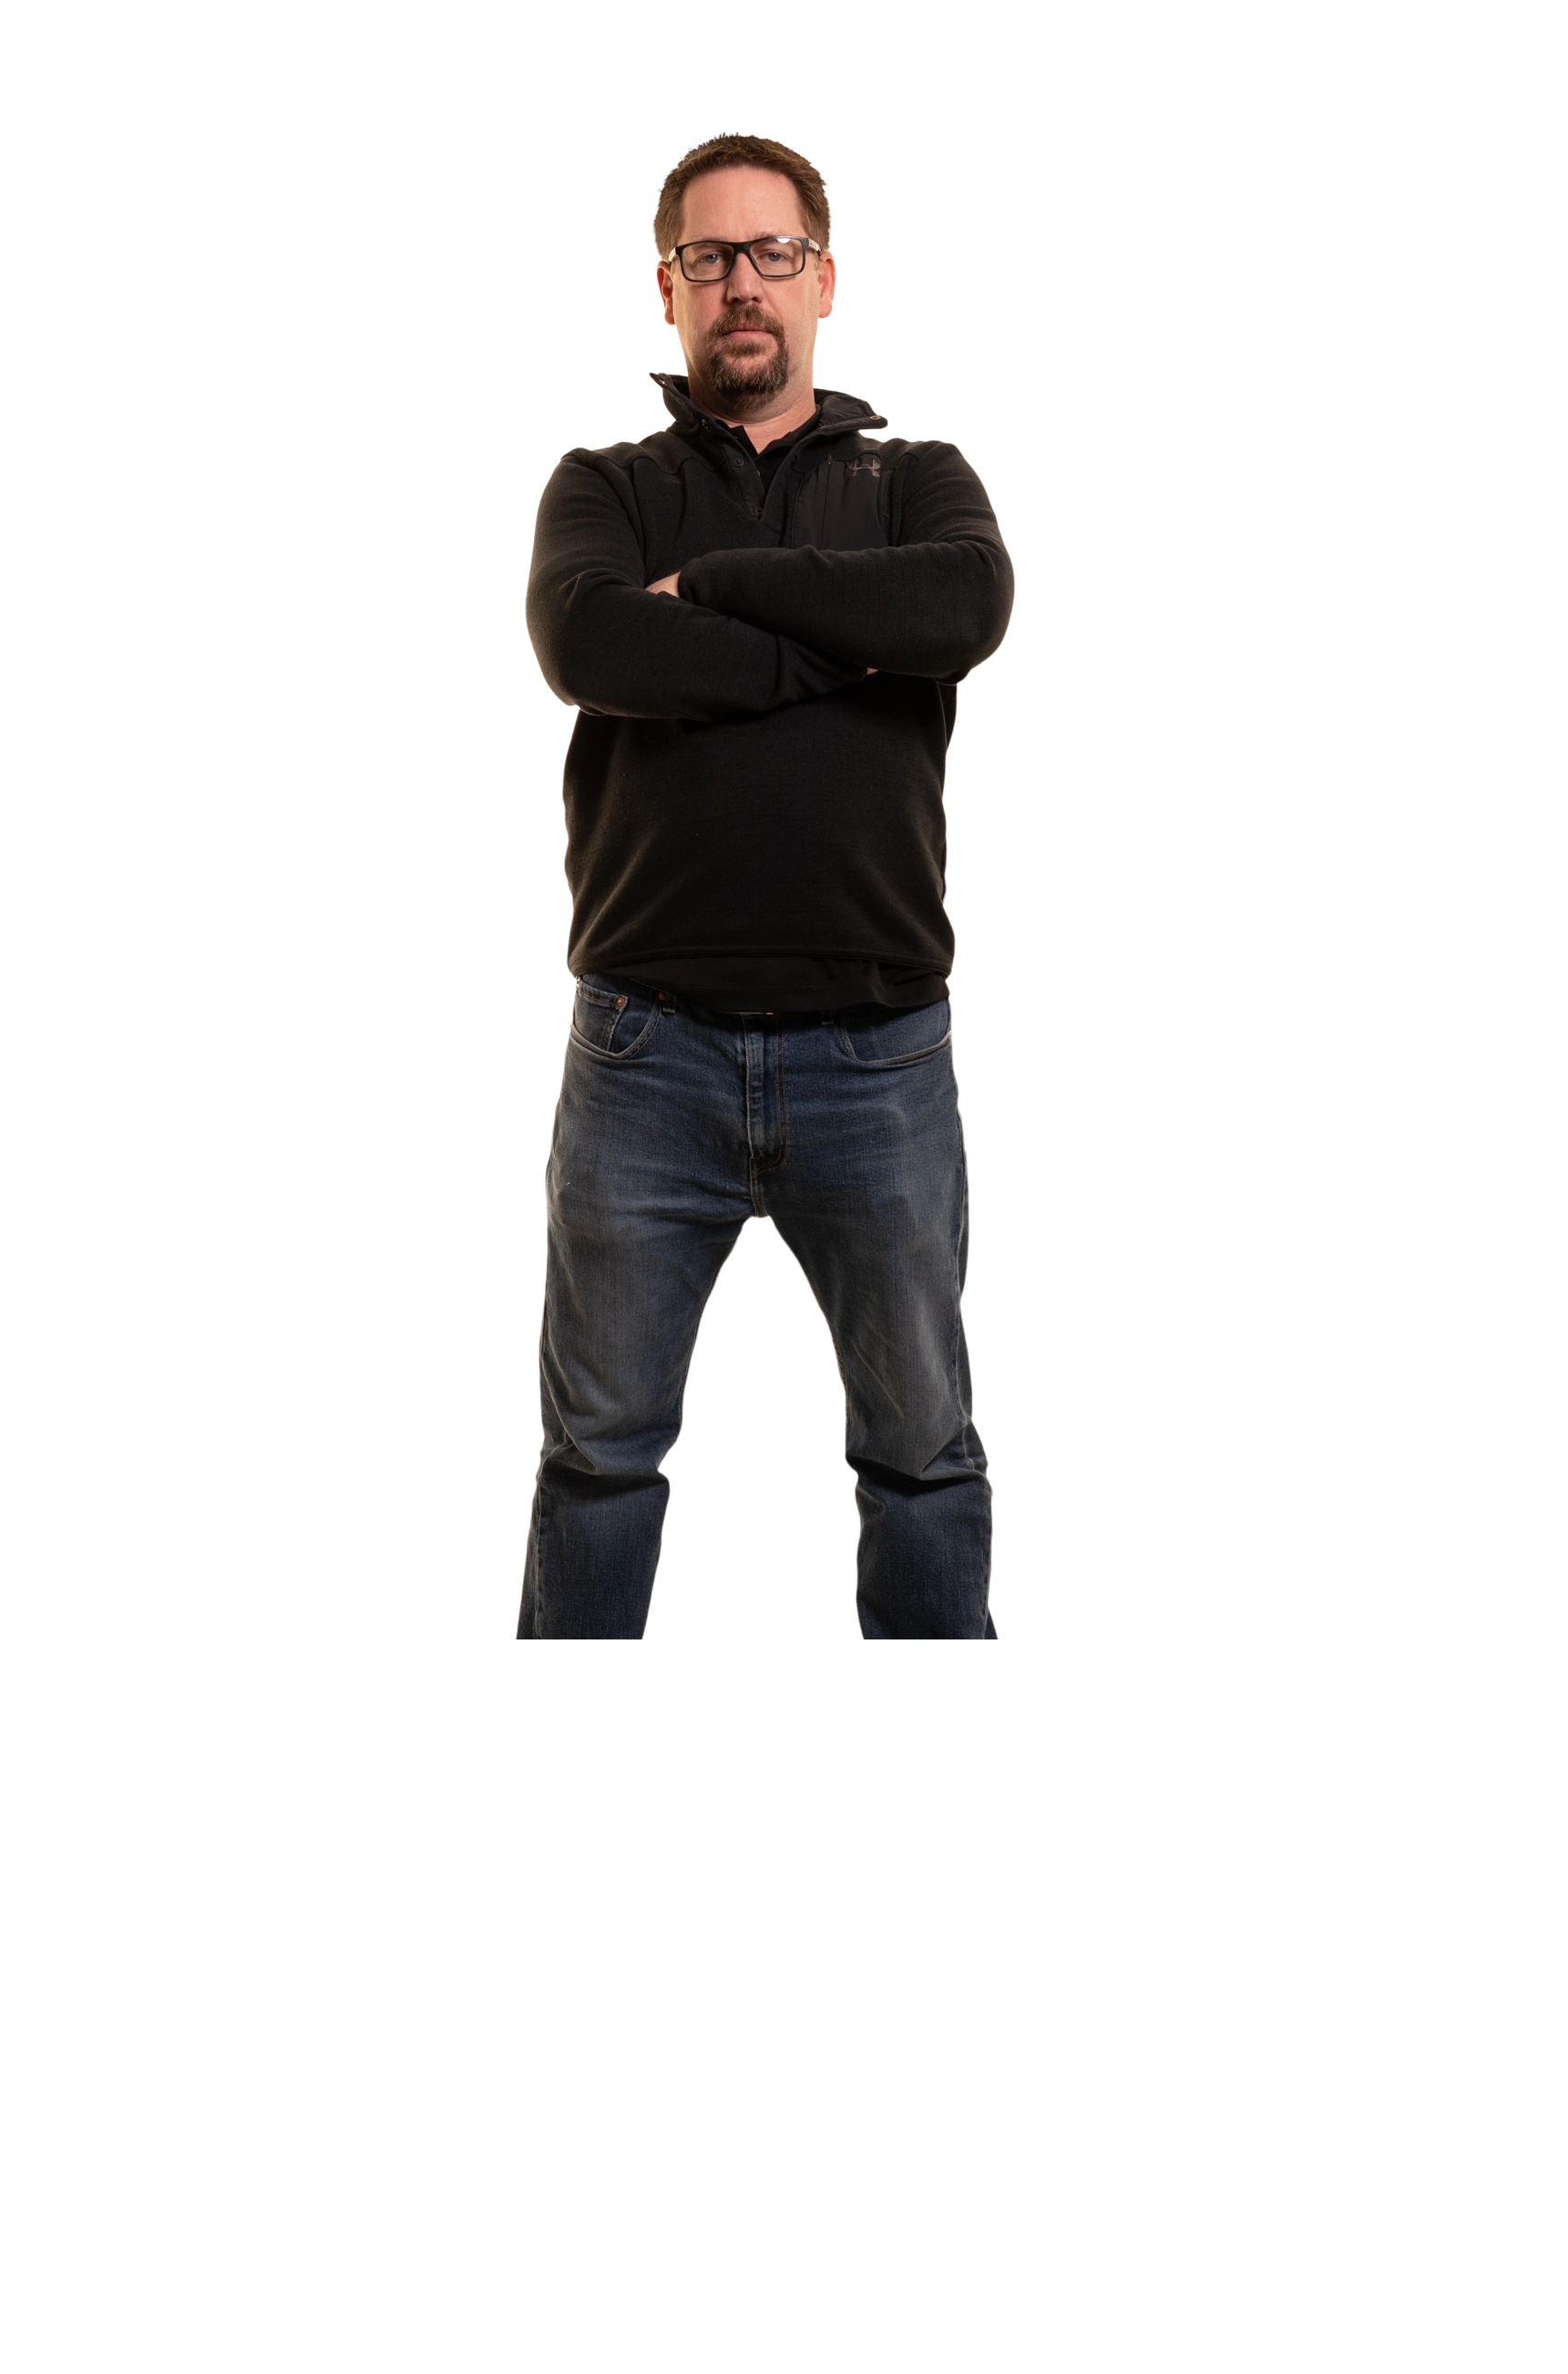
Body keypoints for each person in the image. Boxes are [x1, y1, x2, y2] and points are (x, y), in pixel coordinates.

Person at [520, 129, 1014, 1639]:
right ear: (668, 287)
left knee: (922, 1457)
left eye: (773, 252)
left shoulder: (915, 480)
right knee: (598, 1463)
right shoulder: (604, 488)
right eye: (710, 256)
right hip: (644, 1054)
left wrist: (726, 591)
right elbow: (590, 641)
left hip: (879, 1058)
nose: (744, 283)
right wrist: (848, 646)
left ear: (825, 279)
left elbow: (964, 603)